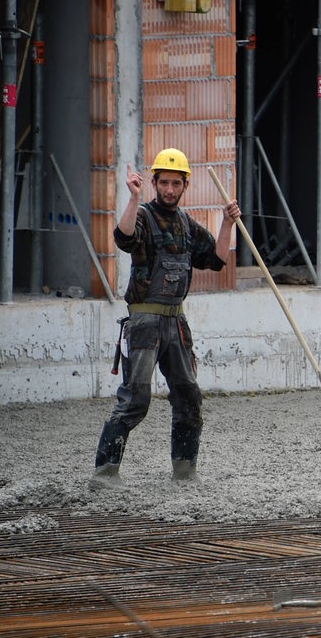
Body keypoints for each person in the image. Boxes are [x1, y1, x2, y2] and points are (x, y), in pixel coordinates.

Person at [91, 148, 239, 488]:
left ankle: (185, 470)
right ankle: (105, 473)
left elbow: (216, 260)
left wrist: (228, 222)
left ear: (185, 185)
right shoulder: (142, 216)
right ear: (155, 183)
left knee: (189, 396)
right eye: (164, 183)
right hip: (144, 324)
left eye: (176, 183)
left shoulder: (187, 225)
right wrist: (133, 197)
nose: (170, 190)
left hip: (177, 325)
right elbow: (123, 237)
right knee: (135, 398)